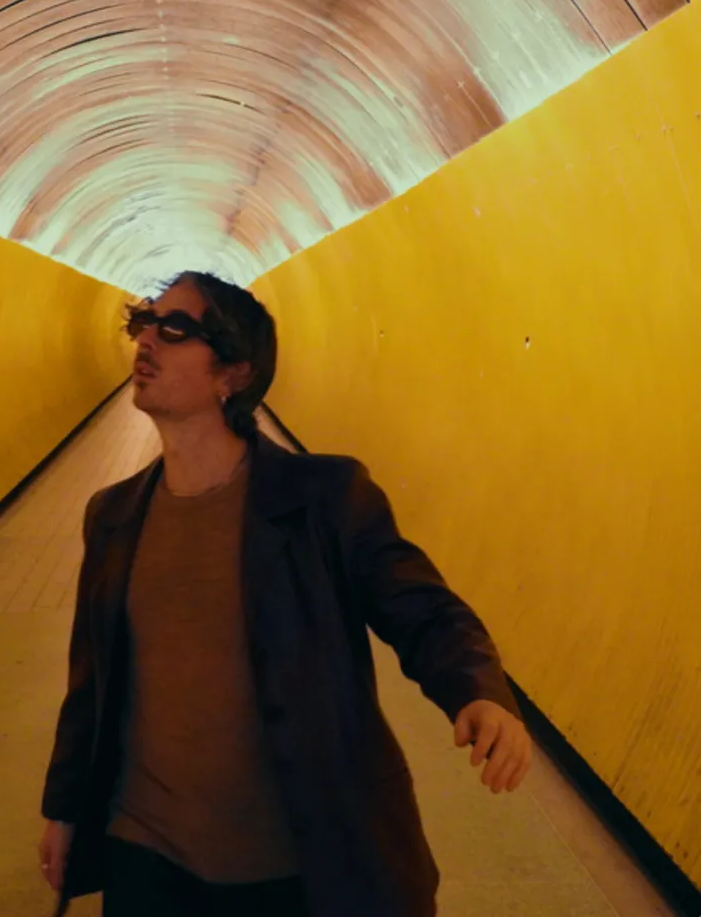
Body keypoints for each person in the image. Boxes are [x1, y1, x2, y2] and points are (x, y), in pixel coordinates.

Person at [38, 271, 532, 917]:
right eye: (143, 322)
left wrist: (478, 690)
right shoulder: (113, 515)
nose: (147, 341)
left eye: (176, 328)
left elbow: (423, 610)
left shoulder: (322, 499)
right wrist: (65, 809)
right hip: (147, 853)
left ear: (234, 373)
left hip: (293, 856)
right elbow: (91, 682)